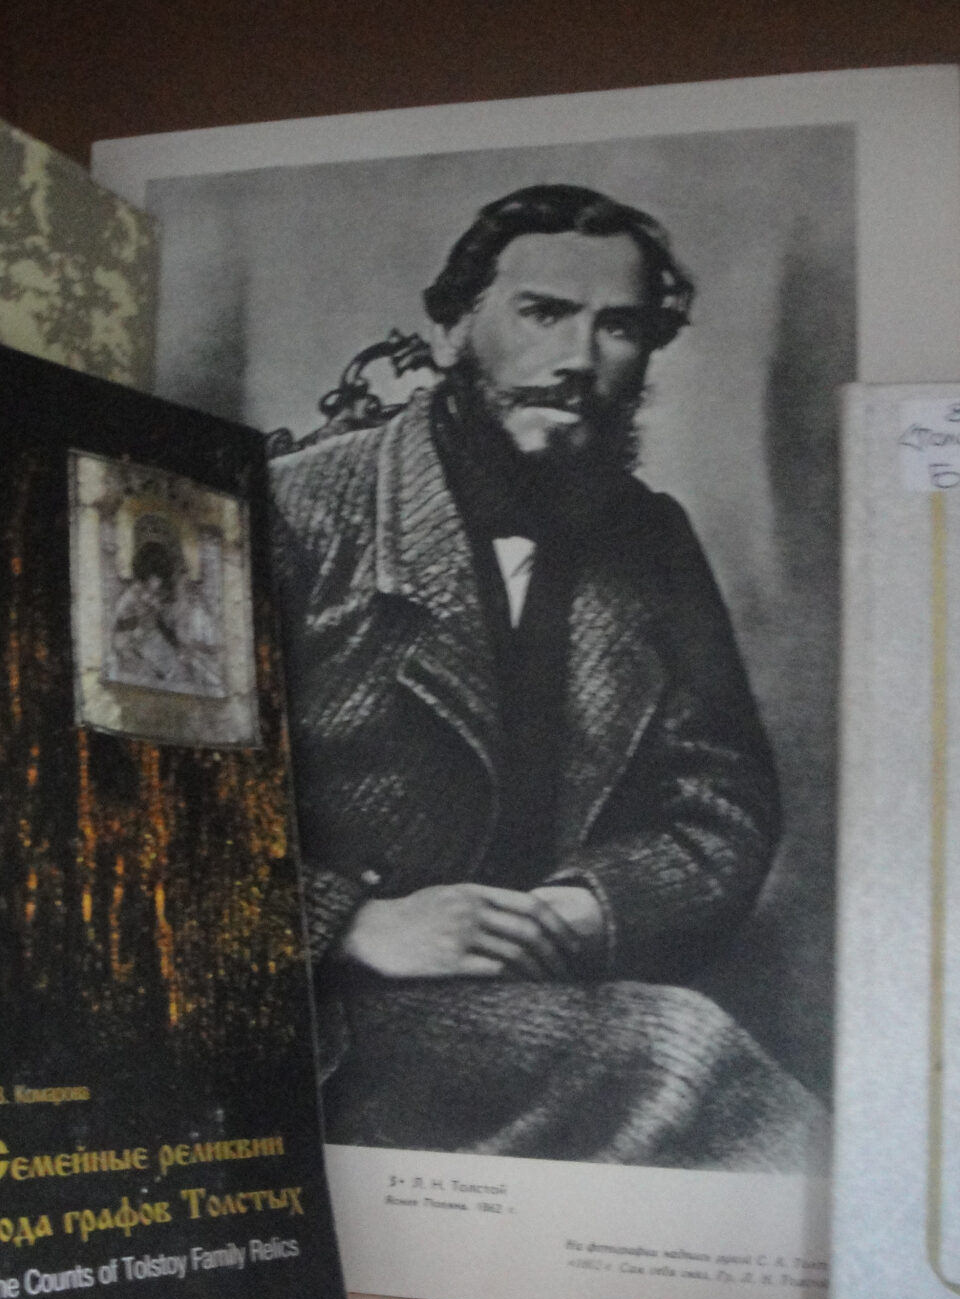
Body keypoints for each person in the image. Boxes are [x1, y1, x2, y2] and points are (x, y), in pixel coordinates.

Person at [269, 184, 826, 1170]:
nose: (577, 359)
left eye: (619, 327)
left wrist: (590, 910)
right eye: (543, 313)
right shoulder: (292, 508)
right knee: (683, 1057)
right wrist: (349, 924)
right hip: (311, 1012)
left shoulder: (652, 541)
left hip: (538, 993)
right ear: (450, 328)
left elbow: (722, 807)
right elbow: (140, 808)